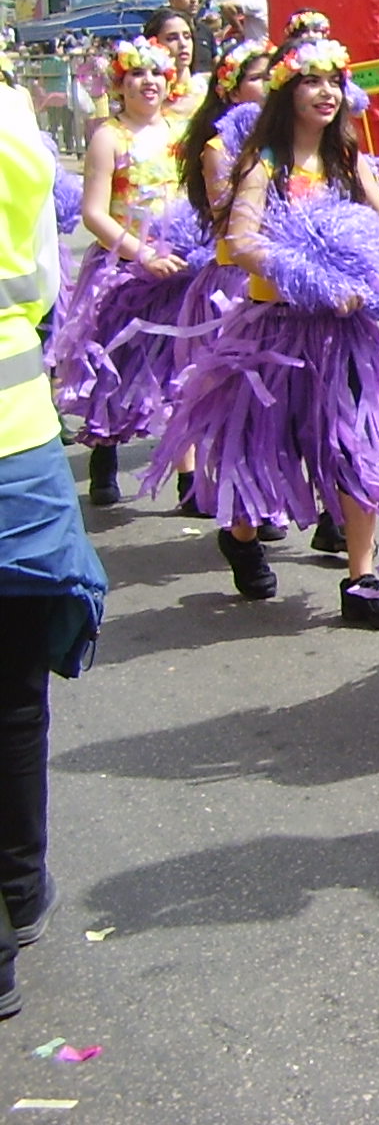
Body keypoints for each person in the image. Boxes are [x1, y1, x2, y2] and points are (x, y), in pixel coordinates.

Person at [144, 39, 379, 625]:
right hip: (277, 331)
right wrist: (303, 270)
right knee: (267, 443)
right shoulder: (263, 162)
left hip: (345, 331)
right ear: (290, 92)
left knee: (354, 444)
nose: (326, 93)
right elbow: (240, 241)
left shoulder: (349, 160)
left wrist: (367, 259)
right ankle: (241, 535)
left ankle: (362, 578)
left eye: (335, 82)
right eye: (313, 81)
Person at [0, 72, 106, 1021]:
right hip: (15, 445)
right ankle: (20, 887)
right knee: (13, 682)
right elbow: (38, 280)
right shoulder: (9, 118)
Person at [45, 41, 196, 509]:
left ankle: (188, 483)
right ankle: (104, 457)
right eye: (136, 74)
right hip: (121, 270)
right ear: (120, 84)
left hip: (178, 269)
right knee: (114, 364)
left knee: (181, 370)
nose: (148, 82)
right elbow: (95, 213)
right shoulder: (108, 136)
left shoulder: (182, 131)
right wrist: (141, 253)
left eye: (156, 73)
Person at [141, 5, 204, 126]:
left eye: (187, 37)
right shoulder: (146, 98)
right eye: (172, 38)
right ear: (154, 44)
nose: (183, 44)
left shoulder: (207, 91)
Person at [166, 0, 216, 82]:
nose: (194, 0)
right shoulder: (162, 29)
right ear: (172, 0)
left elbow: (216, 63)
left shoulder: (205, 30)